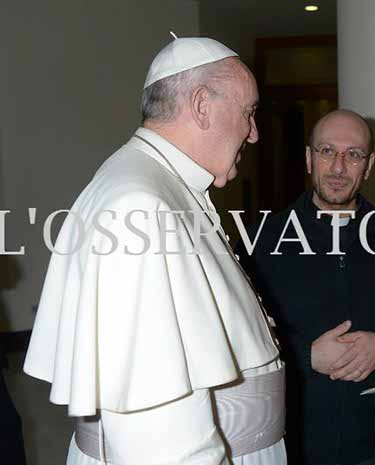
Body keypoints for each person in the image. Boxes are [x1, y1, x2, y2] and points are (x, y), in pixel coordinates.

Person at [23, 37, 285, 465]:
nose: (253, 133)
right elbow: (159, 440)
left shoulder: (156, 184)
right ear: (202, 105)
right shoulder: (140, 206)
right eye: (248, 112)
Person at [235, 109, 375, 465]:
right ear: (309, 158)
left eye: (353, 154)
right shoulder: (259, 241)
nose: (339, 167)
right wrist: (306, 356)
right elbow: (238, 335)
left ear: (369, 166)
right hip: (290, 443)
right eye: (327, 151)